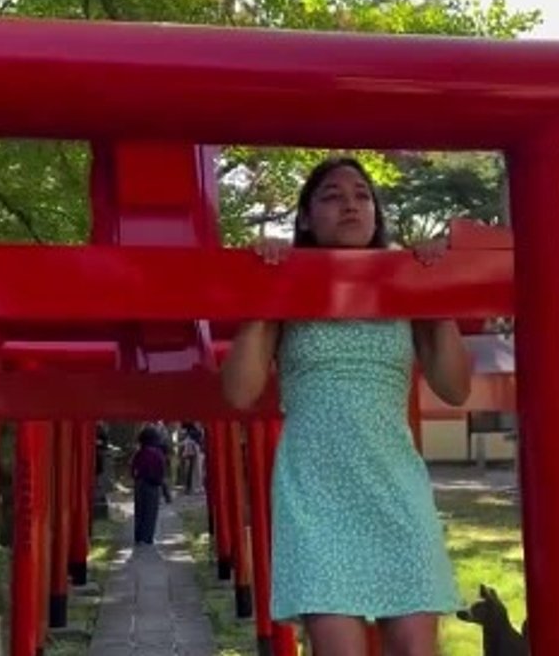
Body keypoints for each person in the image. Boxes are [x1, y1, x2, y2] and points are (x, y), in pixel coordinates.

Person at [220, 157, 471, 656]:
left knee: (416, 650)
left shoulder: (405, 276)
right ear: (306, 217)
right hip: (316, 491)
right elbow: (239, 392)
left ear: (376, 212)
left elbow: (455, 388)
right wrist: (266, 285)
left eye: (361, 195)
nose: (351, 205)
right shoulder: (287, 277)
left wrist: (435, 287)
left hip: (395, 484)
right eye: (332, 196)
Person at [130, 425, 166, 545]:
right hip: (152, 484)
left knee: (139, 510)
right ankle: (147, 537)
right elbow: (161, 469)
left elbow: (133, 467)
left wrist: (135, 477)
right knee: (150, 512)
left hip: (140, 483)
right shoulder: (158, 453)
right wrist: (160, 483)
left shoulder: (139, 453)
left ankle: (138, 536)